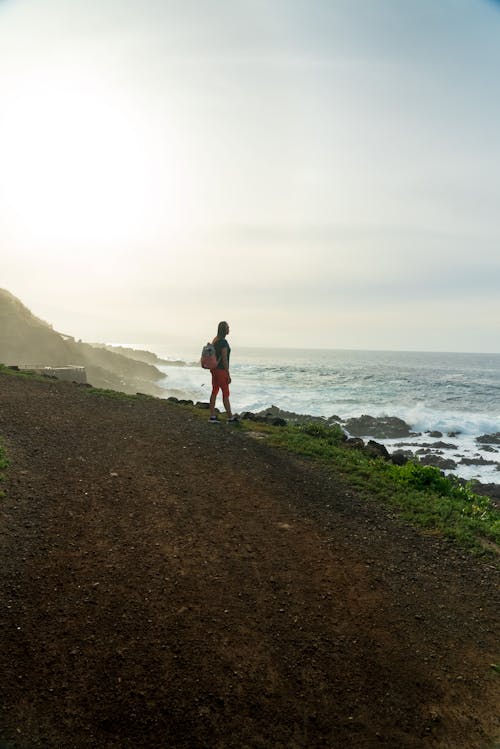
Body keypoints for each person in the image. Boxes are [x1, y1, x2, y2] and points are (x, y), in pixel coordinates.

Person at [209, 321, 237, 423]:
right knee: (225, 393)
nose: (229, 329)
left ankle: (212, 416)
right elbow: (224, 359)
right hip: (221, 371)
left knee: (214, 391)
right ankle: (230, 417)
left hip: (214, 369)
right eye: (228, 327)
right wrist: (228, 373)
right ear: (224, 330)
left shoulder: (215, 340)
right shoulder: (223, 342)